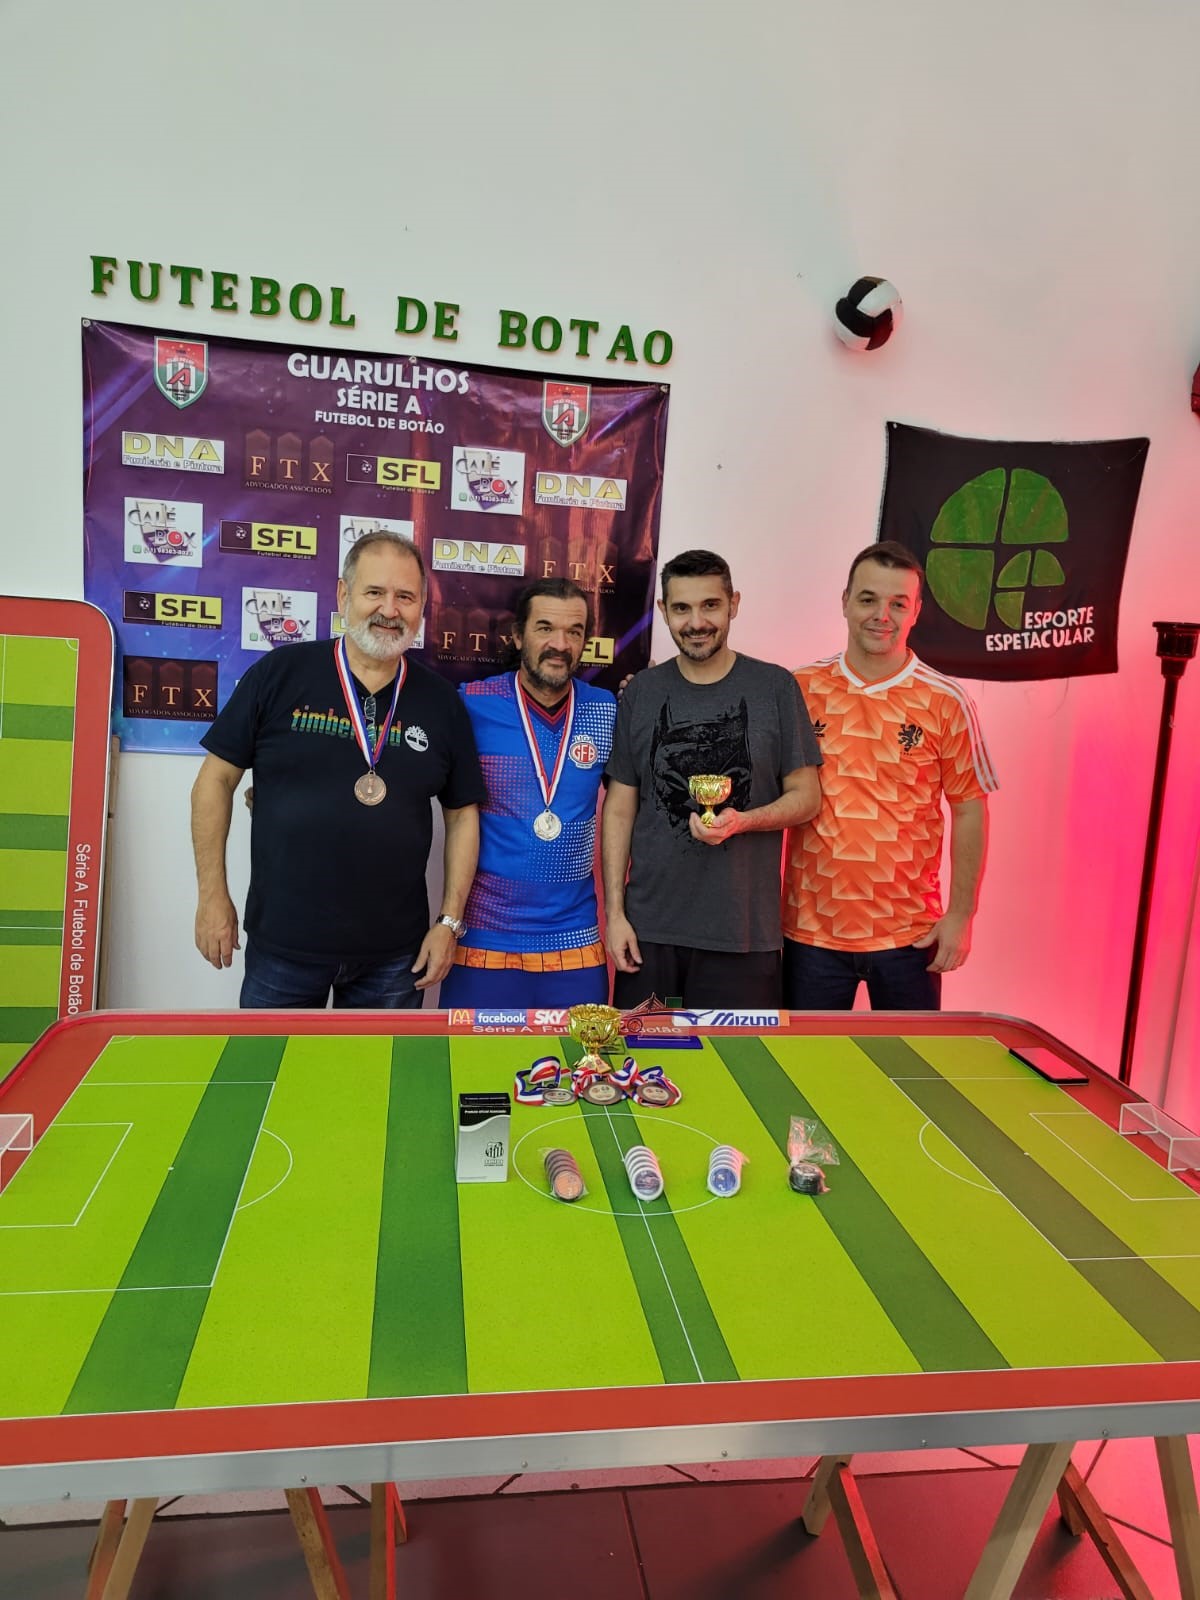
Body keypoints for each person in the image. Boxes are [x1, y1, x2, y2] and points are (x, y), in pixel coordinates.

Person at [191, 531, 485, 1007]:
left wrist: (449, 922)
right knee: (271, 1059)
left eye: (405, 597)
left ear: (421, 608)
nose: (389, 609)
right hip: (282, 947)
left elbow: (462, 815)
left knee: (379, 1062)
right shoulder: (279, 674)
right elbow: (215, 781)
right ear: (344, 595)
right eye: (375, 592)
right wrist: (211, 897)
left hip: (395, 957)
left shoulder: (442, 702)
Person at [782, 540, 998, 1010]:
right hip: (809, 934)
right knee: (806, 1058)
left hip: (911, 936)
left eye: (898, 603)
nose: (882, 615)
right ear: (845, 602)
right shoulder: (798, 689)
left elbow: (970, 811)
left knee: (909, 1059)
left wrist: (961, 916)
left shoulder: (947, 701)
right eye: (868, 599)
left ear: (916, 611)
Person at [603, 549, 822, 1009]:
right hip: (651, 930)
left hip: (743, 933)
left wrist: (743, 821)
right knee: (646, 1055)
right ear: (663, 611)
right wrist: (616, 915)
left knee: (737, 1057)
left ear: (733, 604)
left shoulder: (775, 688)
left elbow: (807, 798)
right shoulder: (642, 692)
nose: (696, 622)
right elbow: (620, 809)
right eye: (682, 608)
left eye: (710, 605)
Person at [440, 578, 616, 1009]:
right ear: (518, 636)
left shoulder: (608, 710)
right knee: (468, 1056)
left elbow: (629, 812)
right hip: (481, 938)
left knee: (581, 1055)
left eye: (574, 631)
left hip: (574, 942)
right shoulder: (470, 703)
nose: (560, 644)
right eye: (545, 628)